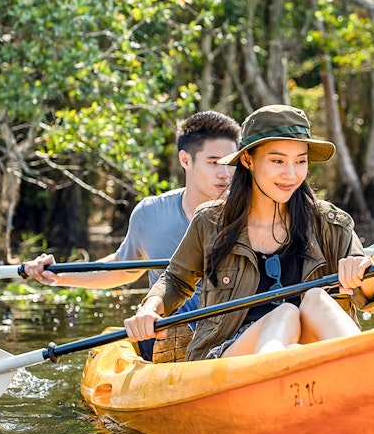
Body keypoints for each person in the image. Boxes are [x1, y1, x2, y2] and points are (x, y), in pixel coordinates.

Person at [123, 104, 374, 362]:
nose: (291, 174)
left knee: (316, 298)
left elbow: (368, 299)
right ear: (248, 160)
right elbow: (176, 281)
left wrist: (364, 274)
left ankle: (364, 365)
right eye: (277, 160)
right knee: (284, 313)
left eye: (300, 161)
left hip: (310, 353)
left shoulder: (330, 223)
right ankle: (275, 372)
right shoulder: (211, 221)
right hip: (229, 353)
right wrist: (149, 309)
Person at [21, 110, 240, 360]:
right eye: (214, 162)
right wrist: (58, 274)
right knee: (173, 311)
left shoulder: (253, 213)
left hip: (231, 325)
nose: (225, 173)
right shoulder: (150, 214)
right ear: (185, 160)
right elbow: (123, 268)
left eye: (231, 163)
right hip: (170, 329)